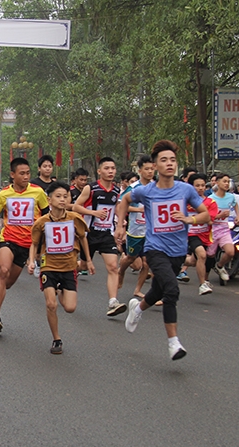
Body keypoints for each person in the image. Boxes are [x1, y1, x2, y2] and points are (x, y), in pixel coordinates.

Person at [115, 140, 211, 361]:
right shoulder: (146, 191)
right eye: (164, 160)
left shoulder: (185, 189)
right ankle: (173, 343)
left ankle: (137, 309)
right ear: (155, 166)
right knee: (172, 291)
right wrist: (120, 226)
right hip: (155, 248)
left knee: (158, 291)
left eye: (172, 160)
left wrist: (189, 218)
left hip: (178, 250)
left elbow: (205, 214)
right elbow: (124, 201)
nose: (169, 164)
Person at [0, 157, 50, 334]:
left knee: (8, 283)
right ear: (12, 175)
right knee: (5, 271)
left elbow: (47, 216)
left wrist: (44, 243)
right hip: (9, 239)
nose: (26, 177)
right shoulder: (4, 194)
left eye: (28, 173)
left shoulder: (38, 192)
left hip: (29, 244)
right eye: (22, 173)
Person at [28, 181, 94, 354]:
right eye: (58, 196)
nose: (63, 200)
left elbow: (83, 238)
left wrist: (89, 260)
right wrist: (30, 261)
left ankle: (60, 289)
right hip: (48, 267)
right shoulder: (41, 222)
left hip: (69, 267)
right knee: (51, 305)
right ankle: (56, 339)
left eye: (66, 196)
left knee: (70, 308)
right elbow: (34, 243)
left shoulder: (74, 219)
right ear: (49, 200)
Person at [73, 157, 127, 317]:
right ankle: (65, 272)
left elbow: (116, 208)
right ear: (99, 171)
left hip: (106, 234)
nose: (110, 171)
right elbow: (76, 206)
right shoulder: (91, 188)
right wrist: (93, 213)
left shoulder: (116, 190)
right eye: (107, 168)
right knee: (82, 265)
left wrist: (120, 224)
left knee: (112, 267)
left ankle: (112, 302)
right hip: (89, 234)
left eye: (113, 168)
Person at [117, 155, 154, 299]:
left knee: (146, 263)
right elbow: (121, 206)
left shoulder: (156, 186)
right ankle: (121, 271)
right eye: (147, 169)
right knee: (131, 258)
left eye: (152, 169)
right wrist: (137, 210)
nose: (150, 172)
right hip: (135, 231)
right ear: (140, 171)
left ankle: (138, 289)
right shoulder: (134, 188)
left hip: (151, 232)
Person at [180, 173, 218, 294]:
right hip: (191, 234)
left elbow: (210, 219)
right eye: (197, 185)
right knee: (202, 255)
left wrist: (199, 214)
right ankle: (202, 284)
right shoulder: (184, 201)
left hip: (205, 235)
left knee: (193, 261)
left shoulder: (211, 202)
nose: (200, 188)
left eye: (202, 185)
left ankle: (177, 259)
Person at [207, 173, 239, 283]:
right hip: (212, 229)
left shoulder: (231, 197)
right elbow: (207, 216)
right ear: (217, 183)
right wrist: (219, 216)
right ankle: (204, 280)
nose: (227, 184)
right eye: (224, 181)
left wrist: (238, 216)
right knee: (209, 255)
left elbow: (235, 204)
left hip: (224, 228)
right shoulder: (211, 199)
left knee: (231, 252)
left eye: (228, 182)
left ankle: (220, 266)